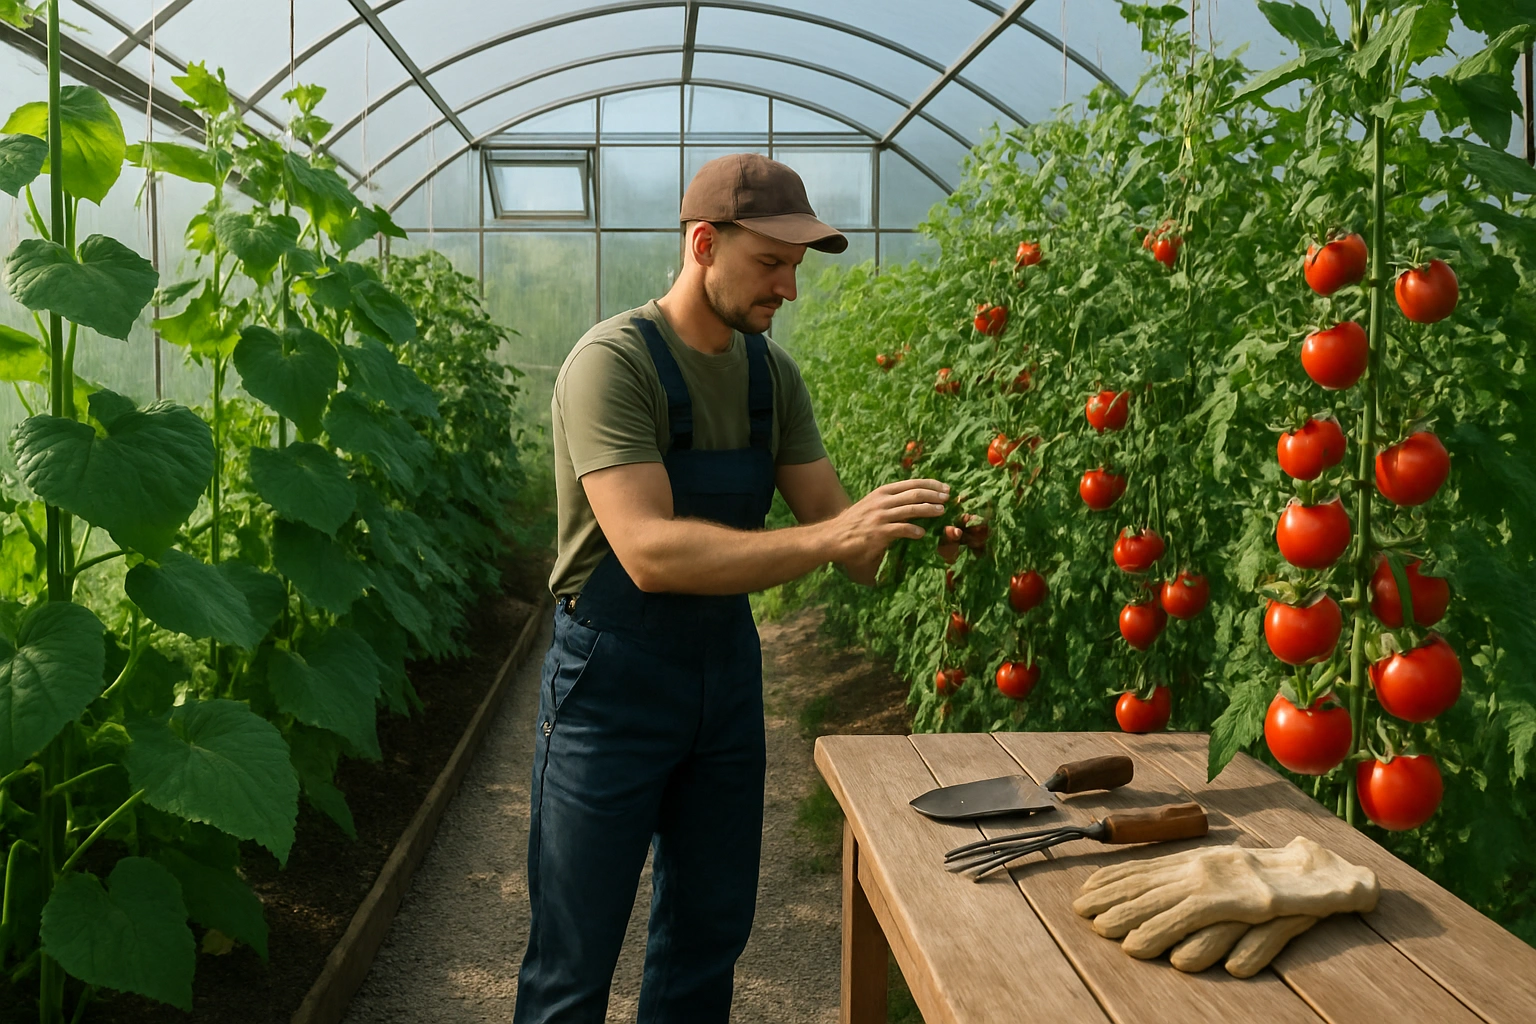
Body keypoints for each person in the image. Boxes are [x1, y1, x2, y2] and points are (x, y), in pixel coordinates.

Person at [513, 153, 948, 1023]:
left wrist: (932, 522)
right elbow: (649, 554)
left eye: (796, 267)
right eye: (770, 263)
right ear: (704, 244)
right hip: (609, 685)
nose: (789, 288)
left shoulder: (769, 378)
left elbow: (853, 548)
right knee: (574, 956)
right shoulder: (612, 364)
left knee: (706, 942)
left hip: (723, 680)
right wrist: (835, 534)